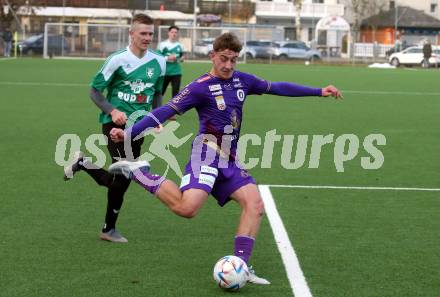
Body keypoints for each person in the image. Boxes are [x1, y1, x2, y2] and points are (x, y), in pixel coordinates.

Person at [108, 32, 342, 283]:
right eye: (223, 59)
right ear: (213, 56)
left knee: (255, 205)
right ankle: (139, 171)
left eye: (233, 60)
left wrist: (319, 91)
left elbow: (278, 88)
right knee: (188, 209)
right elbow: (164, 111)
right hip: (206, 154)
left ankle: (241, 266)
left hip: (229, 159)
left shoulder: (243, 80)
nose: (228, 65)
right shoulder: (199, 87)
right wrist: (130, 133)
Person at [63, 14, 166, 243]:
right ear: (132, 34)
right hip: (114, 126)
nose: (148, 38)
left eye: (151, 34)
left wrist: (157, 118)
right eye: (143, 33)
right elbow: (94, 91)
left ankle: (83, 163)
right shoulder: (117, 59)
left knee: (123, 178)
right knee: (124, 175)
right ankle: (108, 229)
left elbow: (157, 93)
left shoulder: (159, 61)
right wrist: (112, 111)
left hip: (140, 126)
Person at [156, 26, 186, 109]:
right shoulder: (162, 44)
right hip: (164, 72)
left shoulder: (180, 45)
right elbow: (158, 57)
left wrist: (181, 59)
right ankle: (157, 109)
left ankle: (172, 112)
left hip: (176, 72)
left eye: (176, 32)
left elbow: (182, 57)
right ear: (168, 33)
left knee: (176, 94)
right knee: (160, 92)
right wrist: (167, 58)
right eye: (172, 32)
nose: (174, 34)